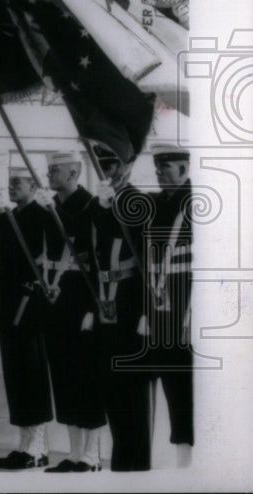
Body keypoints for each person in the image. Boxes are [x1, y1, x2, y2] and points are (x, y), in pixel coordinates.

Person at [39, 152, 106, 472]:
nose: (49, 174)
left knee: (86, 379)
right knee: (63, 376)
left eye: (56, 170)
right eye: (49, 169)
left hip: (83, 297)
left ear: (75, 172)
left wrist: (94, 308)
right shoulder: (49, 206)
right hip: (56, 298)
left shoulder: (91, 206)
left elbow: (99, 259)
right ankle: (73, 453)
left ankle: (91, 456)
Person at [88, 144, 152, 471]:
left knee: (132, 389)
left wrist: (146, 312)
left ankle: (137, 462)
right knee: (110, 383)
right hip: (104, 301)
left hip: (129, 301)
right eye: (101, 167)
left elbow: (146, 260)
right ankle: (121, 460)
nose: (105, 173)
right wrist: (100, 204)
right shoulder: (100, 201)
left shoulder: (137, 200)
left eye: (110, 167)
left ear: (124, 168)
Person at [0, 165, 56, 470]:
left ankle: (38, 447)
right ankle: (24, 444)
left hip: (30, 306)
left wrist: (43, 209)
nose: (12, 187)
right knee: (15, 377)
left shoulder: (42, 216)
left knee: (32, 376)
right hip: (7, 304)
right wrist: (1, 217)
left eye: (18, 183)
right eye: (10, 183)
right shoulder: (8, 216)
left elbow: (45, 246)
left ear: (33, 186)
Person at [144, 141, 194, 465]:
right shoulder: (154, 202)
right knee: (163, 380)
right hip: (156, 309)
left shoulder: (198, 204)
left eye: (166, 168)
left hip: (187, 309)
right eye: (157, 169)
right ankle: (168, 458)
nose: (160, 174)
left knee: (184, 386)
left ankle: (187, 460)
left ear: (184, 169)